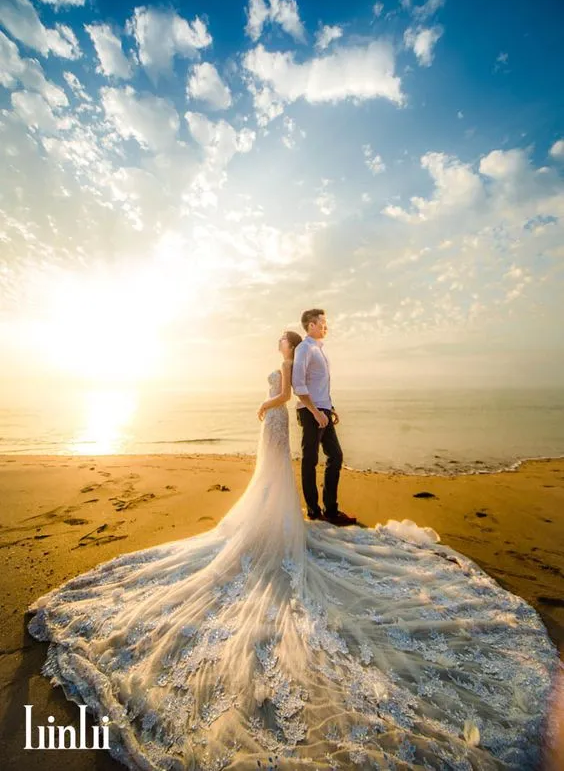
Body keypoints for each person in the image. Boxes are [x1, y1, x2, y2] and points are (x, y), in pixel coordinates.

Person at [26, 332, 560, 771]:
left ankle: (284, 527)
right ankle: (280, 523)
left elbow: (283, 397)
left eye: (286, 340)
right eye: (286, 341)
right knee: (271, 479)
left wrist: (265, 402)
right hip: (274, 432)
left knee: (278, 479)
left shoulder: (290, 367)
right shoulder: (291, 359)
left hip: (275, 421)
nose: (285, 345)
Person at [291, 308, 356, 526]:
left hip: (323, 410)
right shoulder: (304, 348)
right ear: (311, 325)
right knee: (310, 460)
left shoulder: (320, 350)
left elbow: (319, 385)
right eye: (322, 323)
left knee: (335, 456)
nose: (325, 326)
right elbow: (298, 384)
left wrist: (329, 408)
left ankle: (331, 510)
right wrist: (315, 411)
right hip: (311, 412)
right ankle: (314, 510)